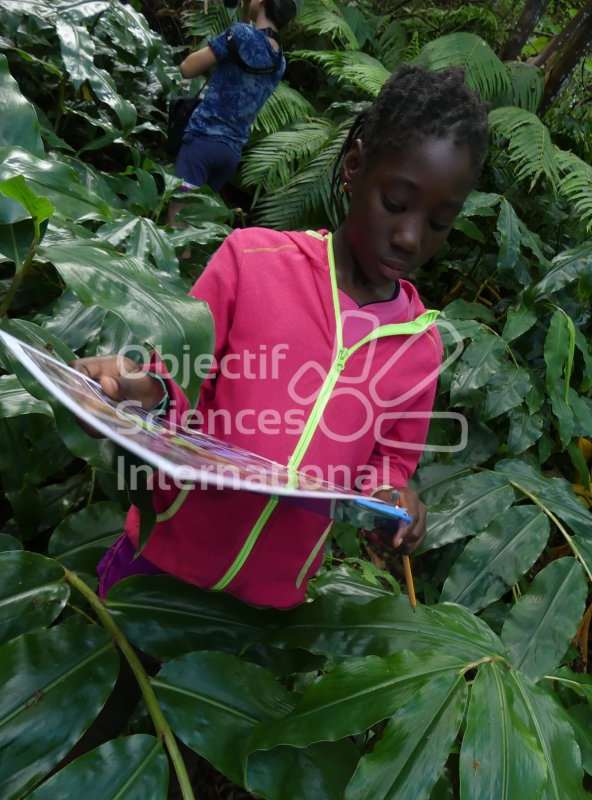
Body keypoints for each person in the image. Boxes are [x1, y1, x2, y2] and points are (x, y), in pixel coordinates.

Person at [75, 65, 489, 610]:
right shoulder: (251, 263)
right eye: (396, 203)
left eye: (439, 222)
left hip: (268, 611)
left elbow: (388, 466)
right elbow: (175, 384)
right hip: (158, 563)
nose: (412, 236)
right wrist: (140, 390)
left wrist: (393, 503)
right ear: (355, 166)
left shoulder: (420, 350)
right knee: (113, 688)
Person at [172, 0, 301, 197]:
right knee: (197, 222)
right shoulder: (279, 61)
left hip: (203, 140)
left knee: (178, 220)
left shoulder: (242, 35)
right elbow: (250, 42)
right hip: (230, 153)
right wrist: (247, 9)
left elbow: (187, 68)